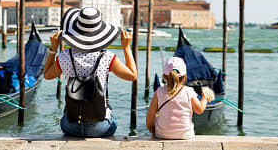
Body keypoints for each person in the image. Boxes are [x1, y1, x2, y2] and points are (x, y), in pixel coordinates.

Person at [43, 7, 138, 137]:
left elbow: (47, 75)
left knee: (65, 118)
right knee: (112, 118)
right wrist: (126, 48)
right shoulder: (107, 57)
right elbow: (132, 75)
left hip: (70, 127)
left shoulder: (64, 56)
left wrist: (53, 49)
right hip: (100, 127)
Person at [146, 57, 214, 140]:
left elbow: (150, 116)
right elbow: (199, 109)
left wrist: (153, 131)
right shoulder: (189, 91)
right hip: (185, 135)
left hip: (162, 134)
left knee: (156, 115)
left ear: (164, 76)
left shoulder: (159, 92)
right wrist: (205, 97)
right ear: (185, 77)